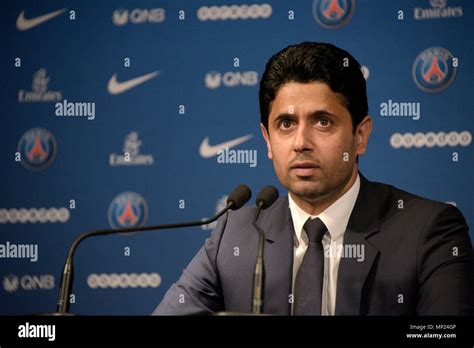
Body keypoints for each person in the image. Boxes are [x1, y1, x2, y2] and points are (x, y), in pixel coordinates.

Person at [153, 42, 473, 315]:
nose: (301, 142)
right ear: (267, 140)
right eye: (286, 123)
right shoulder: (234, 234)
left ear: (360, 135)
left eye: (322, 122)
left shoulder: (429, 230)